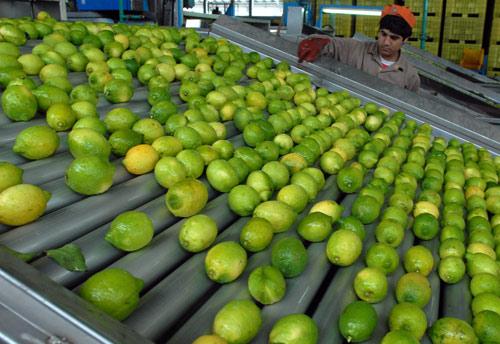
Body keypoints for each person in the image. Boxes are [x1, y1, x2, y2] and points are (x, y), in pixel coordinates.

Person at [297, 4, 420, 92]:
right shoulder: (355, 49)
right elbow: (332, 44)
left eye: (394, 38)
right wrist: (316, 42)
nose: (386, 42)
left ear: (405, 40)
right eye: (383, 34)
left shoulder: (410, 76)